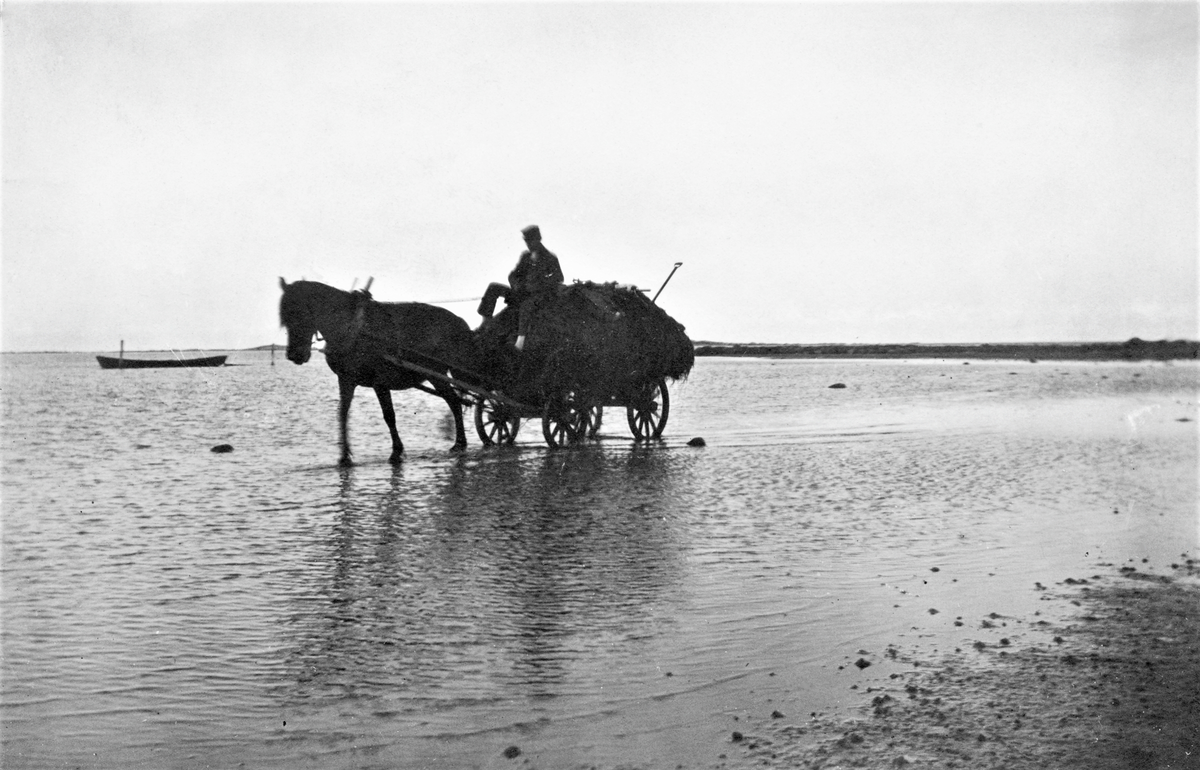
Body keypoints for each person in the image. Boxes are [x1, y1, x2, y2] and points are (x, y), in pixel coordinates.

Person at [477, 225, 564, 351]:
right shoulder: (526, 257)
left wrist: (539, 284)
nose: (528, 244)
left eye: (531, 240)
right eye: (527, 241)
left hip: (537, 296)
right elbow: (513, 275)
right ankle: (485, 321)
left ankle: (520, 341)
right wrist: (517, 285)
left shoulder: (550, 258)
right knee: (493, 288)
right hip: (521, 292)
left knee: (525, 306)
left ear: (538, 239)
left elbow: (559, 278)